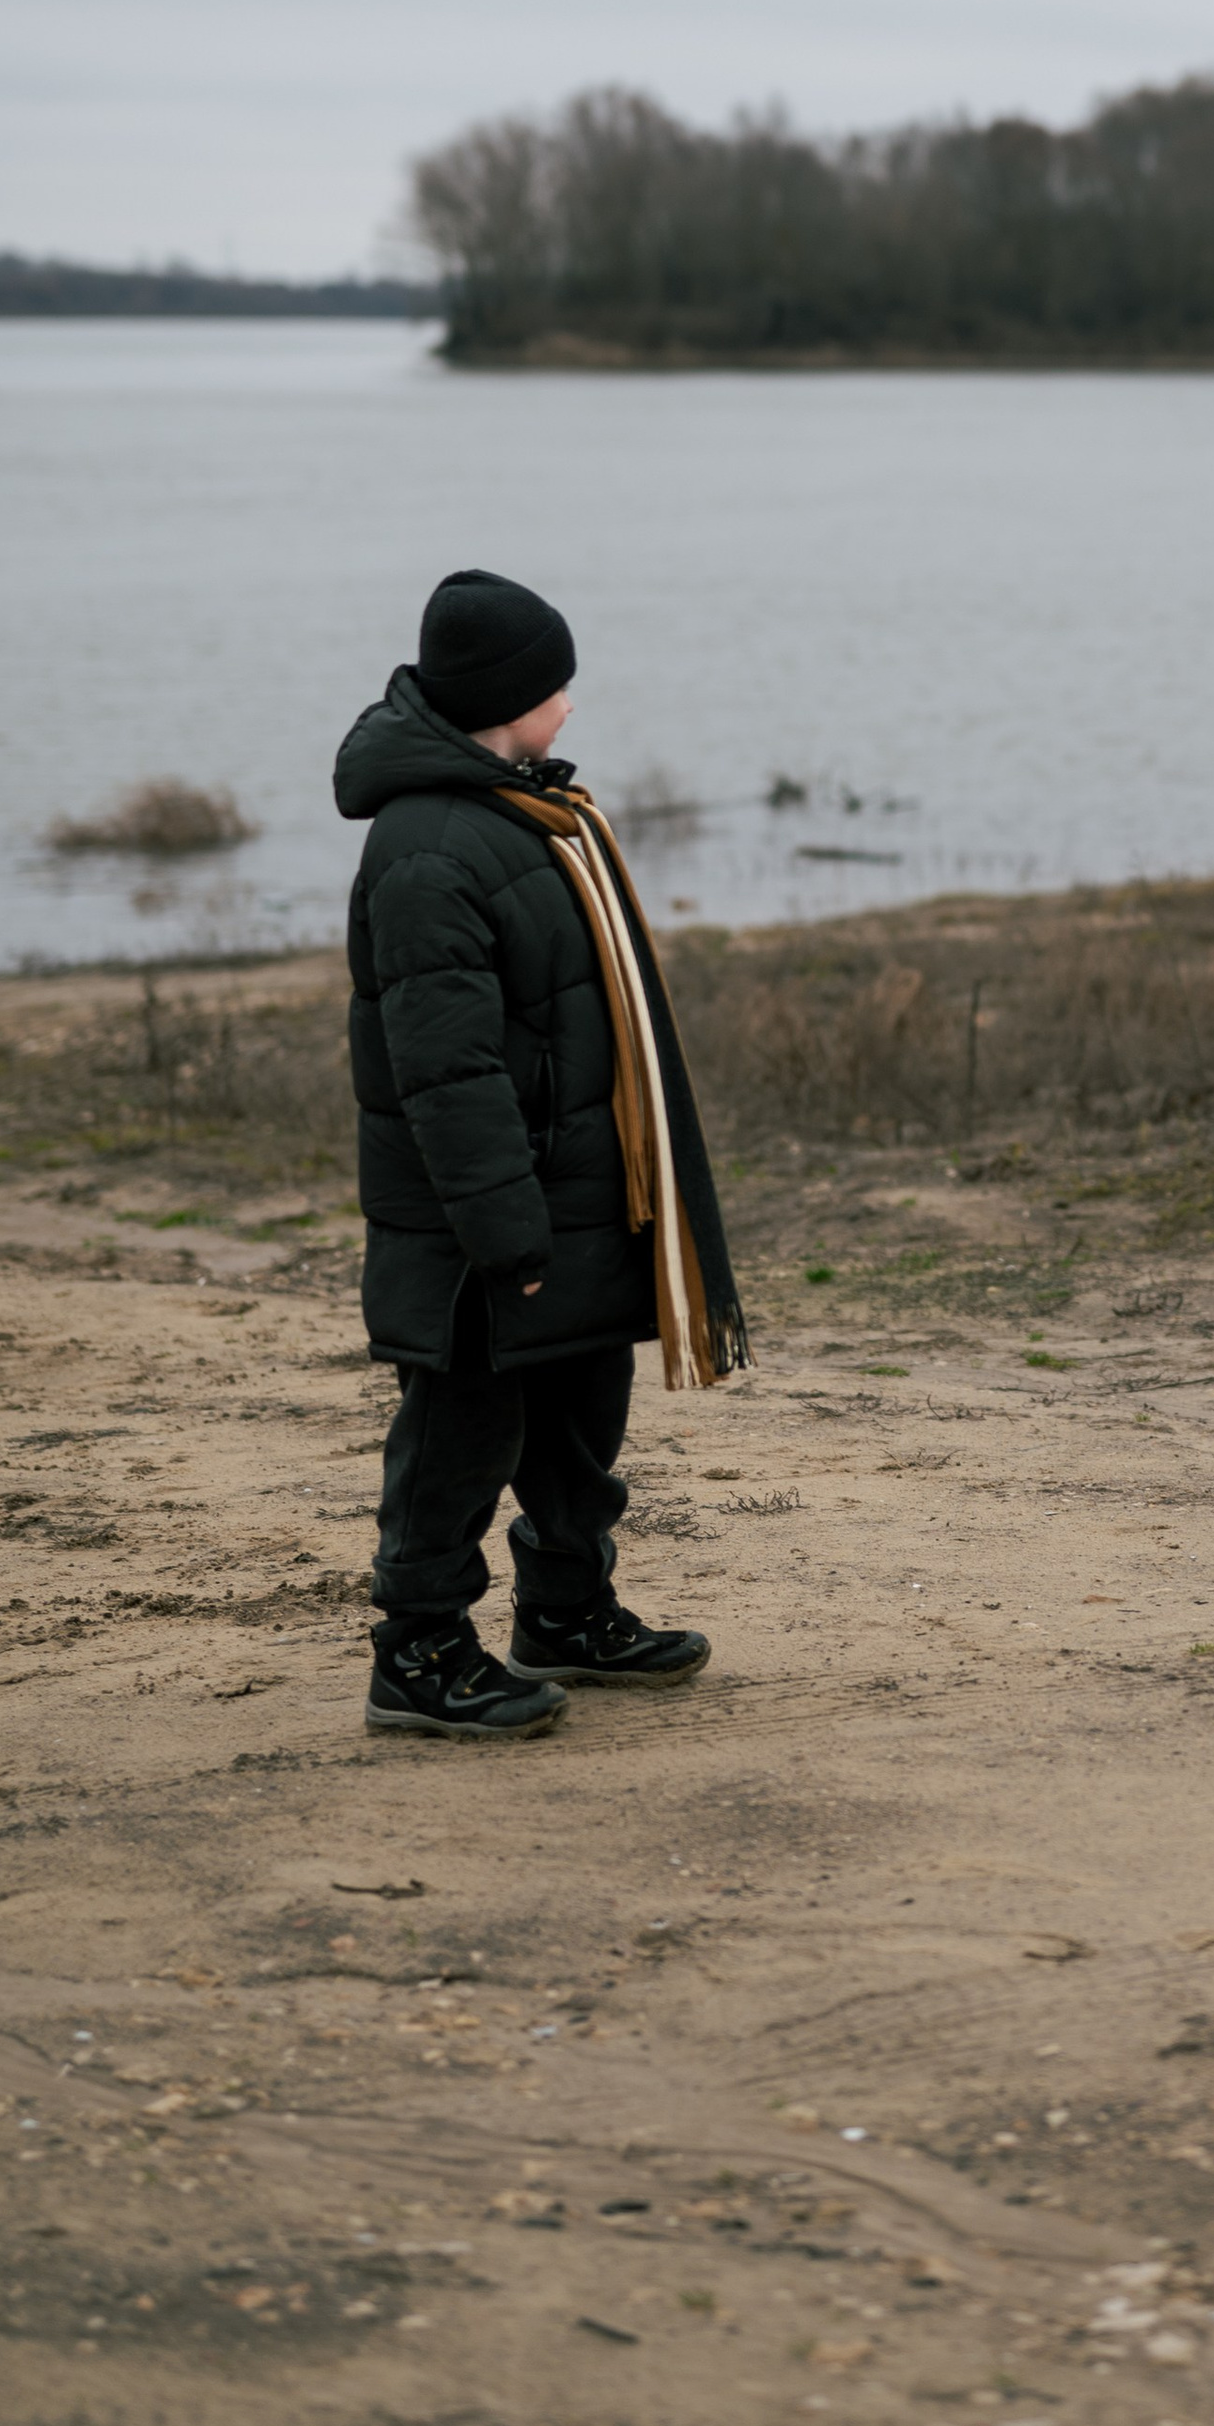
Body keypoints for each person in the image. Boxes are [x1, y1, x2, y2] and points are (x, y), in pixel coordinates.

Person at [336, 567, 750, 1737]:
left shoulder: (527, 808)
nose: (570, 700)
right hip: (483, 1218)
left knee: (579, 1411)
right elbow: (447, 1070)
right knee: (461, 1433)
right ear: (506, 698)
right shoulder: (428, 847)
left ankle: (566, 1610)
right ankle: (417, 1650)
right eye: (555, 682)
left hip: (570, 1187)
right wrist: (504, 1227)